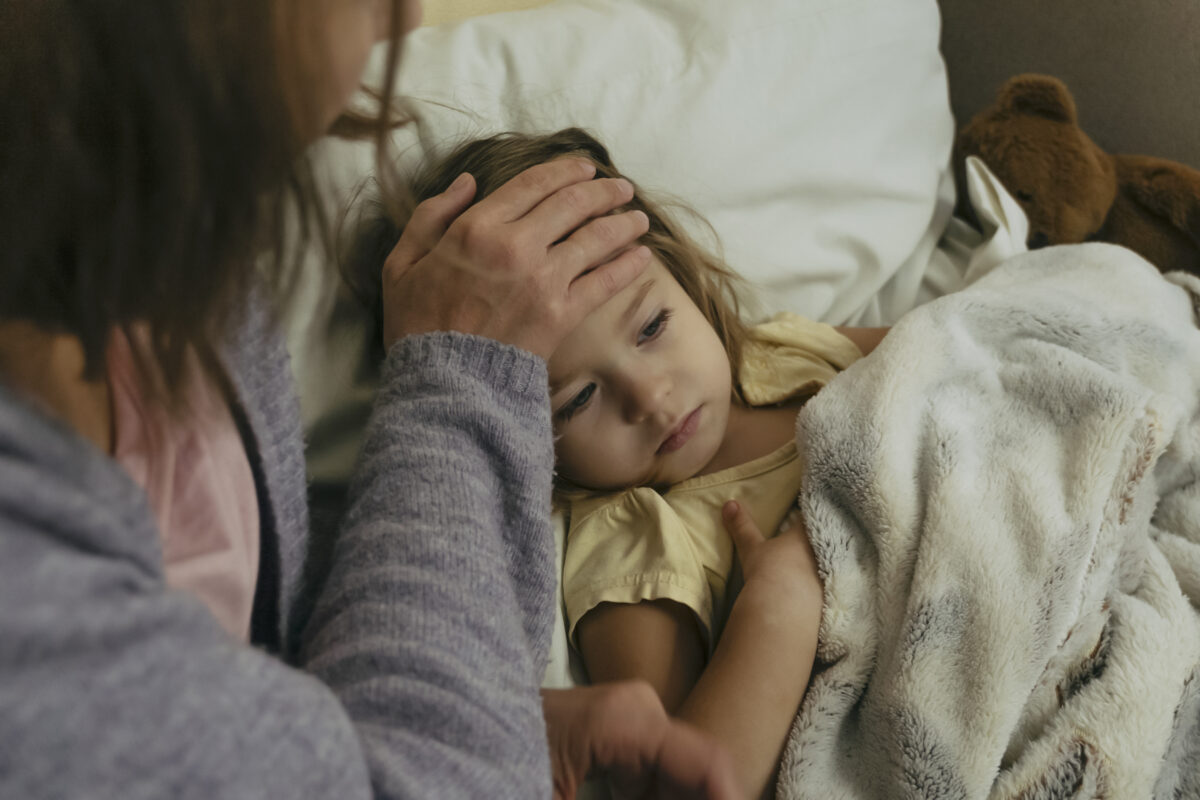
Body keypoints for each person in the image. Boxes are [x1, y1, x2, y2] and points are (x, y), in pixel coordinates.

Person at [0, 2, 739, 798]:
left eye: (653, 325)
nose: (403, 17)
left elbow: (232, 660)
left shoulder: (175, 238)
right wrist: (464, 372)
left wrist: (475, 715)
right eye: (577, 397)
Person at [349, 128, 892, 798]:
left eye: (652, 327)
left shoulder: (781, 351)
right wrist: (779, 602)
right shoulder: (633, 536)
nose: (649, 397)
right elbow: (684, 779)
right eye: (578, 400)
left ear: (681, 273)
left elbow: (957, 351)